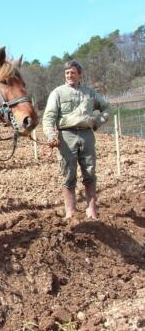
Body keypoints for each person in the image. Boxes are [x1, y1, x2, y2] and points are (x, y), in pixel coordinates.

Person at [43, 60, 110, 220]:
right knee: (68, 173)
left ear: (80, 75)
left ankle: (91, 209)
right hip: (66, 137)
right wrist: (51, 136)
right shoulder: (57, 93)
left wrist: (97, 122)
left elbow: (107, 108)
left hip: (87, 135)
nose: (69, 75)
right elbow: (48, 117)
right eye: (67, 73)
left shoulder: (90, 93)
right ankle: (70, 211)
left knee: (90, 172)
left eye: (73, 73)